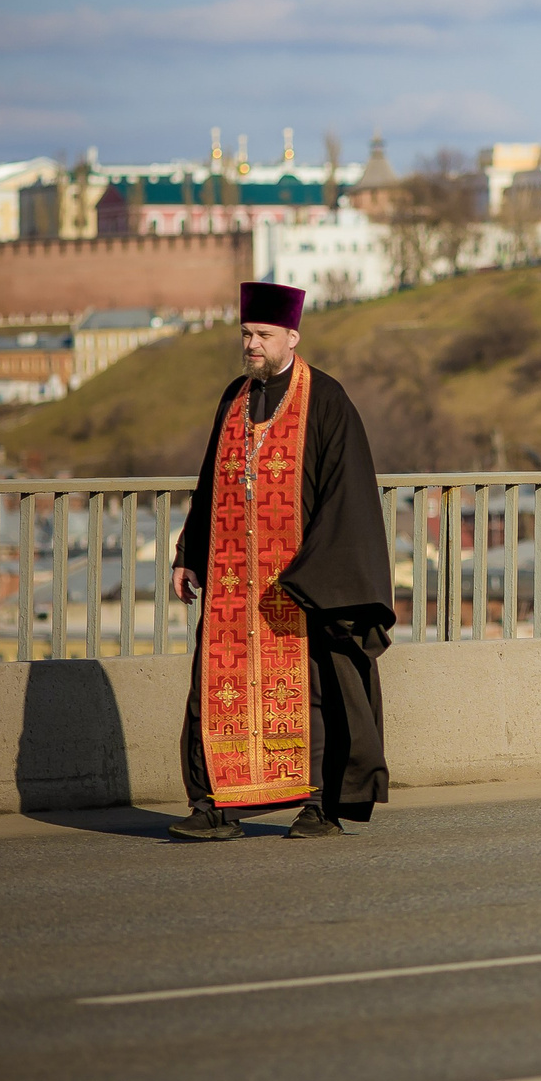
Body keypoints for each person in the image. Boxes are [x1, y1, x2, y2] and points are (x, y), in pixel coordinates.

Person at [167, 282, 393, 841]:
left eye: (263, 335)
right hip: (230, 584)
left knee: (312, 693)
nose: (252, 345)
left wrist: (317, 575)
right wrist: (189, 554)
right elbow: (210, 482)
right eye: (246, 334)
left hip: (299, 583)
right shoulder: (234, 397)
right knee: (215, 692)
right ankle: (215, 806)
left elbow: (348, 495)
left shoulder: (327, 399)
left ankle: (317, 807)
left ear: (292, 336)